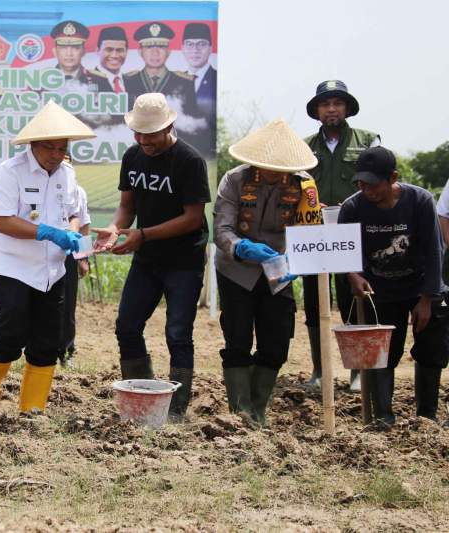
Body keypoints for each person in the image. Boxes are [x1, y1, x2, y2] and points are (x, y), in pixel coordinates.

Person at [92, 93, 211, 421]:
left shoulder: (189, 161)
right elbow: (127, 206)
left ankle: (175, 410)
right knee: (127, 326)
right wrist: (115, 229)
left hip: (184, 261)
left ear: (169, 126)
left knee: (177, 332)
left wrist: (142, 235)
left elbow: (192, 218)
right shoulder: (133, 157)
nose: (144, 141)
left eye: (151, 134)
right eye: (138, 134)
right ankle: (142, 394)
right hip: (147, 259)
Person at [0, 101, 92, 420]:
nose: (56, 154)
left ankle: (32, 408)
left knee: (47, 341)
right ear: (33, 145)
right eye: (50, 147)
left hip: (53, 271)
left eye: (62, 147)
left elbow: (76, 214)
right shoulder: (9, 172)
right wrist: (48, 232)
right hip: (12, 267)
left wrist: (75, 236)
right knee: (11, 334)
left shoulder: (68, 174)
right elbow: (3, 221)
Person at [213, 120, 321, 426]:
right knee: (237, 339)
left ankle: (258, 411)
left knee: (276, 341)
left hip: (280, 271)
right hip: (237, 270)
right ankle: (241, 412)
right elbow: (221, 230)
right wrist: (242, 247)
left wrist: (297, 259)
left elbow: (309, 230)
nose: (273, 173)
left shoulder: (305, 186)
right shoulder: (234, 180)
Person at [339, 146, 447, 426]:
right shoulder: (352, 207)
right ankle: (384, 416)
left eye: (373, 184)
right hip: (380, 290)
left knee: (431, 348)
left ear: (393, 177)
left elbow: (435, 251)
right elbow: (344, 252)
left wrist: (426, 299)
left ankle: (426, 416)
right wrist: (354, 275)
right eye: (361, 184)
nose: (366, 190)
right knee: (383, 353)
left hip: (422, 285)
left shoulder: (420, 200)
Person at [303, 80, 381, 391]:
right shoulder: (304, 146)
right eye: (325, 104)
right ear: (318, 111)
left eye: (337, 103)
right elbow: (294, 185)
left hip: (353, 232)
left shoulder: (367, 141)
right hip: (313, 234)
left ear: (347, 108)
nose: (331, 109)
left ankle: (357, 371)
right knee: (313, 301)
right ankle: (320, 369)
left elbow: (376, 184)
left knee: (354, 298)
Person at [124, 22, 198, 117]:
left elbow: (193, 122)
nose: (155, 52)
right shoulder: (128, 81)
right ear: (140, 52)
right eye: (149, 46)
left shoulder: (185, 82)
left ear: (169, 51)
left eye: (161, 46)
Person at [61, 183, 91, 367]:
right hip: (39, 253)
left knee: (67, 304)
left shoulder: (78, 191)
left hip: (68, 254)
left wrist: (83, 258)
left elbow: (84, 226)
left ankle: (67, 351)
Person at [181, 23, 216, 151]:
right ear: (182, 48)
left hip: (207, 152)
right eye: (190, 44)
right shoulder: (175, 81)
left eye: (201, 44)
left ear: (210, 48)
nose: (195, 50)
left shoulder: (216, 79)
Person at [50, 20, 110, 93]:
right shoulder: (41, 81)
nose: (69, 53)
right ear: (55, 52)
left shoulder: (99, 80)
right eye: (63, 48)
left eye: (76, 48)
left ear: (84, 51)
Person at [92, 26, 129, 94]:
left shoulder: (133, 82)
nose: (114, 55)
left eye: (120, 50)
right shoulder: (87, 82)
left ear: (126, 52)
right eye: (109, 50)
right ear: (97, 51)